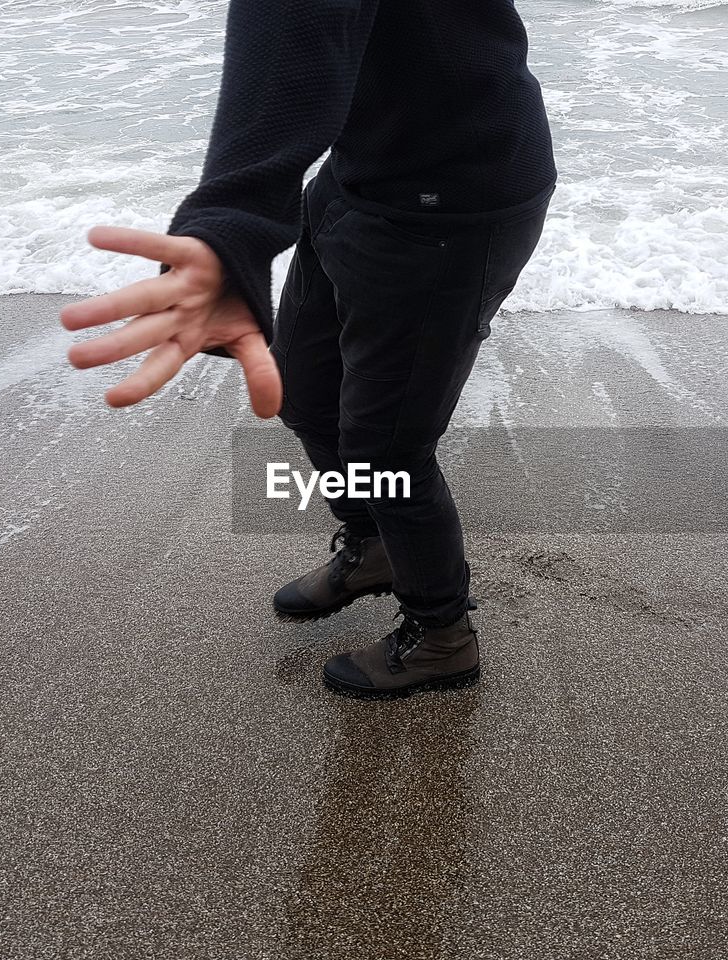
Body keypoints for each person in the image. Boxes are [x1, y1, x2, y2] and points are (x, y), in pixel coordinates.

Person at [59, 0, 556, 699]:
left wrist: (232, 221)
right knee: (303, 389)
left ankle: (442, 634)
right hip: (361, 168)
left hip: (451, 197)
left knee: (388, 447)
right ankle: (374, 544)